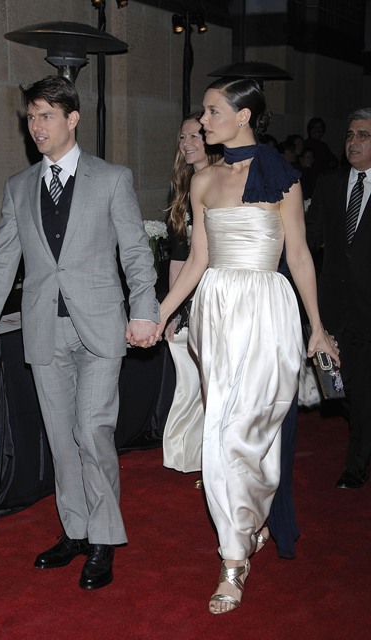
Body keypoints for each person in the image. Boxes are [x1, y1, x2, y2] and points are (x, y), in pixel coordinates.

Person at [0, 75, 159, 590]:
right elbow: (2, 258)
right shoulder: (19, 186)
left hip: (101, 326)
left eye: (46, 115)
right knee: (60, 436)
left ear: (72, 119)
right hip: (43, 330)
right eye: (31, 117)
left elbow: (135, 252)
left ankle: (104, 537)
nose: (37, 126)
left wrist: (145, 310)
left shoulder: (112, 178)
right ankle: (75, 529)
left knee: (92, 430)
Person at [155, 78, 339, 614]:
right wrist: (160, 313)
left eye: (213, 111)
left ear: (244, 116)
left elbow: (299, 255)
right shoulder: (203, 180)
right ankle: (234, 557)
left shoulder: (282, 178)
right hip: (216, 310)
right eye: (204, 112)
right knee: (219, 432)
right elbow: (198, 260)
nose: (203, 121)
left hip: (267, 310)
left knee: (250, 430)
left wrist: (317, 326)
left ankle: (250, 520)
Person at [306, 108, 371, 490]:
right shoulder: (329, 183)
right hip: (331, 307)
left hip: (367, 310)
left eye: (363, 135)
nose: (353, 142)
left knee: (361, 390)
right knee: (338, 387)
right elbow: (310, 236)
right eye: (349, 135)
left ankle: (357, 463)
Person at [163, 113, 221, 474]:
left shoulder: (224, 180)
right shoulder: (181, 187)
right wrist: (173, 310)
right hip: (188, 293)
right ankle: (194, 451)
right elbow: (178, 255)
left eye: (195, 136)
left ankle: (216, 454)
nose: (187, 143)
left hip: (219, 292)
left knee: (215, 377)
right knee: (191, 376)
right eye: (182, 137)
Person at [303, 116, 338, 196]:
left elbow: (334, 161)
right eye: (315, 128)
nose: (318, 130)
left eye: (320, 128)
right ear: (310, 130)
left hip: (323, 183)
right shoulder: (305, 145)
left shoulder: (323, 146)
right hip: (310, 184)